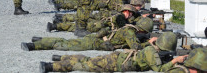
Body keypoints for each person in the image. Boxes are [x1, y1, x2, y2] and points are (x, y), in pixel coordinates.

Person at [39, 32, 188, 72]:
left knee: (86, 61)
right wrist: (175, 61)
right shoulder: (151, 52)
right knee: (84, 66)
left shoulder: (152, 50)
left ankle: (61, 57)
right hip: (114, 63)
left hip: (117, 59)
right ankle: (50, 66)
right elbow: (160, 69)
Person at [21, 16, 154, 51]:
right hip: (95, 42)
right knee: (64, 45)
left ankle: (39, 40)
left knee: (65, 42)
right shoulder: (130, 31)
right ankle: (34, 45)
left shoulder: (128, 28)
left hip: (96, 39)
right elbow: (136, 48)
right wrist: (150, 42)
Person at [47, 4, 135, 34]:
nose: (131, 16)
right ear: (127, 11)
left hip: (98, 23)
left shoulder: (118, 14)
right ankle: (54, 26)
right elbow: (122, 27)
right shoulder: (121, 17)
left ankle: (56, 23)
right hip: (96, 26)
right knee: (75, 26)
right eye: (131, 14)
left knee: (77, 23)